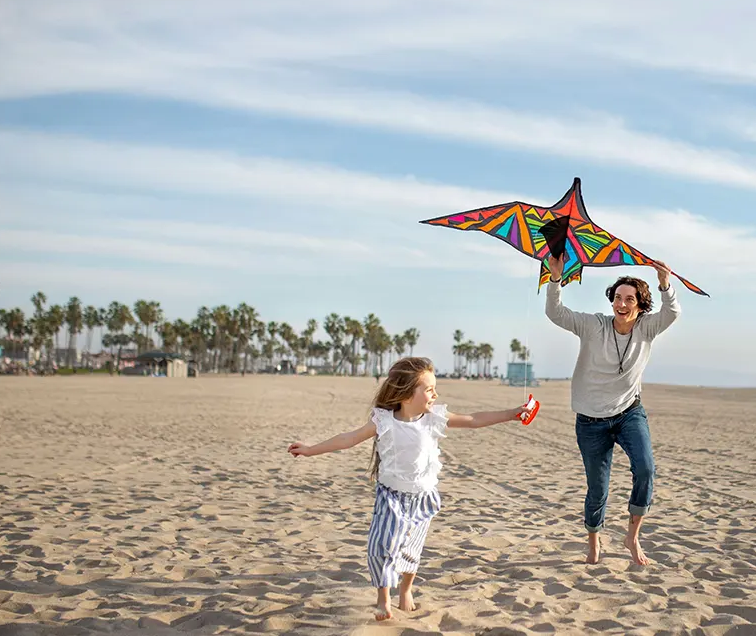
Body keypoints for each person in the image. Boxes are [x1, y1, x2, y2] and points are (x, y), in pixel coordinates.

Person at [287, 356, 539, 621]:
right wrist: (310, 450)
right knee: (382, 545)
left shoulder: (433, 418)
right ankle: (383, 600)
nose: (435, 394)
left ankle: (405, 590)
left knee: (411, 548)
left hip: (423, 496)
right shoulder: (384, 421)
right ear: (406, 394)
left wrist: (512, 413)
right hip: (391, 496)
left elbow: (474, 419)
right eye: (429, 389)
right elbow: (348, 439)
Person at [543, 254, 681, 566]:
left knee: (646, 470)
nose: (621, 303)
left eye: (629, 299)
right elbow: (556, 313)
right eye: (617, 297)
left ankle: (632, 536)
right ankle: (594, 540)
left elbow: (672, 313)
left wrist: (664, 284)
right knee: (597, 488)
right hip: (591, 420)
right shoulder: (593, 325)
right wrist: (555, 278)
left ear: (640, 304)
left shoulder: (646, 329)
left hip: (629, 413)